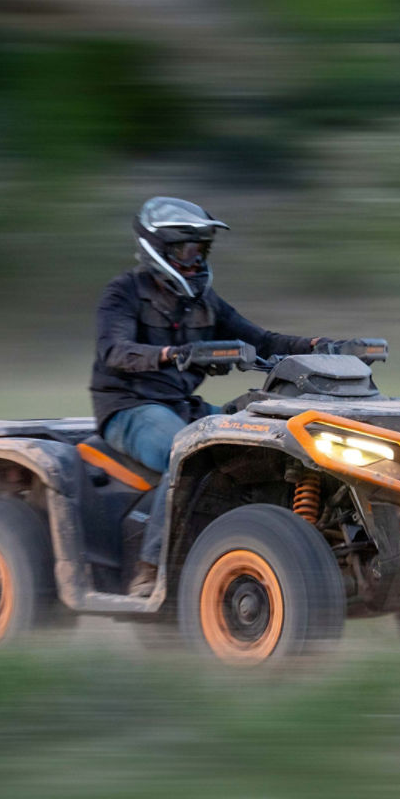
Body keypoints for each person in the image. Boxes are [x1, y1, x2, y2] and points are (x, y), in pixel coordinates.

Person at [90, 196, 329, 595]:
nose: (195, 260)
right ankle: (149, 570)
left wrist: (317, 345)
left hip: (184, 407)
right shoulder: (123, 293)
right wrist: (173, 353)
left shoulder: (205, 303)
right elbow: (115, 351)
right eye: (185, 250)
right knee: (185, 452)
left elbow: (263, 340)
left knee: (269, 434)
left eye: (201, 250)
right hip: (130, 408)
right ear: (158, 249)